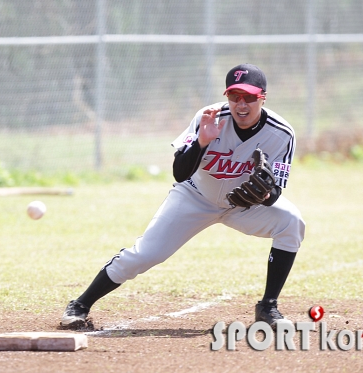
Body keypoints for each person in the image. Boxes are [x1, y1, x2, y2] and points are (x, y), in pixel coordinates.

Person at [60, 63, 305, 329]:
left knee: (291, 222)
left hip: (242, 206)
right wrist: (202, 141)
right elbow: (179, 172)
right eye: (235, 97)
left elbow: (275, 192)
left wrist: (264, 194)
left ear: (263, 97)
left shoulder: (282, 133)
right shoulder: (209, 117)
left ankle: (268, 307)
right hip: (195, 196)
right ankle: (80, 305)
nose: (241, 104)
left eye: (249, 97)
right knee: (145, 254)